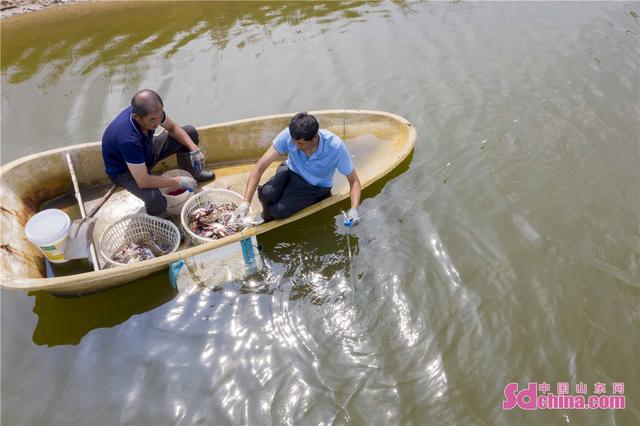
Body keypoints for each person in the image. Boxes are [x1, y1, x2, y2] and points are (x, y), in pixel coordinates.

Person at [232, 112, 361, 227]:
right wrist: (246, 202)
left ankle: (275, 212)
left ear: (315, 138)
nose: (296, 146)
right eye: (294, 142)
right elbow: (259, 168)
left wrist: (354, 208)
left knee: (279, 210)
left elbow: (354, 181)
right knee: (266, 193)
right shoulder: (288, 135)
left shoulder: (335, 147)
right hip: (290, 169)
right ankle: (266, 215)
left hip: (314, 186)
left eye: (301, 144)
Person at [101, 89, 215, 216]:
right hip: (124, 170)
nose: (158, 122)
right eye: (152, 120)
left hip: (146, 150)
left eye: (160, 116)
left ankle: (193, 175)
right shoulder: (128, 139)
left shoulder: (153, 112)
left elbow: (173, 128)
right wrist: (177, 181)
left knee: (189, 133)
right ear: (136, 117)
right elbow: (143, 181)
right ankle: (157, 219)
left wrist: (194, 149)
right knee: (156, 200)